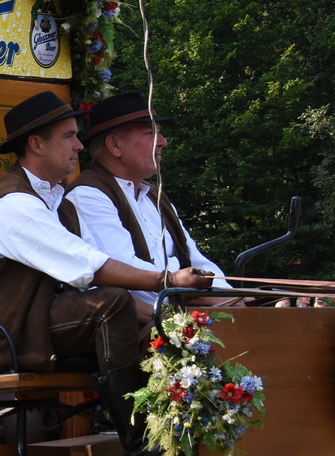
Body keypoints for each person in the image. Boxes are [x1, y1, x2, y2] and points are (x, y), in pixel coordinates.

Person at [0, 90, 214, 456]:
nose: (78, 146)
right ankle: (143, 455)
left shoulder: (58, 203)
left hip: (30, 325)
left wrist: (164, 321)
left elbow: (91, 278)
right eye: (69, 136)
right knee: (112, 304)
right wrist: (169, 282)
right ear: (36, 144)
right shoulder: (12, 204)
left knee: (132, 312)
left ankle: (171, 443)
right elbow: (91, 266)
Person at [67, 92, 231, 318]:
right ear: (114, 145)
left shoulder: (154, 195)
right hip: (148, 328)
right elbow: (127, 276)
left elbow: (195, 259)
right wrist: (210, 299)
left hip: (187, 312)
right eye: (151, 133)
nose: (163, 141)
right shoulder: (88, 195)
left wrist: (232, 296)